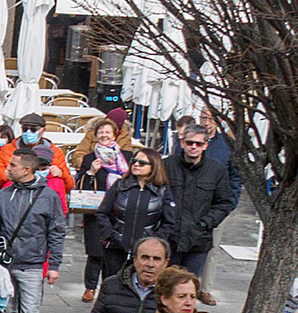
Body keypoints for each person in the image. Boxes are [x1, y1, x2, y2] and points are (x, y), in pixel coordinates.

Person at [0, 146, 67, 313]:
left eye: (13, 165)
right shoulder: (5, 193)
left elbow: (57, 233)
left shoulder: (48, 196)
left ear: (26, 170)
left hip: (31, 266)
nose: (7, 168)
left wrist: (54, 265)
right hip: (5, 264)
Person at [162, 122, 238, 289]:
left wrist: (205, 223)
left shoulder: (216, 169)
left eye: (198, 143)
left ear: (205, 145)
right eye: (190, 143)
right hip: (169, 239)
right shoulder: (167, 165)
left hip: (198, 241)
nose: (193, 147)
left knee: (189, 289)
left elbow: (224, 203)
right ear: (182, 143)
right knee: (165, 288)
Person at [71, 119, 133, 299]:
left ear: (115, 135)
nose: (104, 135)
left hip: (120, 211)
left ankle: (110, 287)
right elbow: (80, 184)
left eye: (108, 132)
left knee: (115, 251)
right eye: (101, 132)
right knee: (95, 251)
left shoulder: (127, 157)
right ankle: (90, 287)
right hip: (96, 210)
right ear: (95, 136)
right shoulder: (90, 158)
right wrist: (90, 172)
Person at [92, 146, 170, 281]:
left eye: (142, 162)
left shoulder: (162, 191)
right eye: (134, 161)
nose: (136, 164)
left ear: (153, 166)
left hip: (145, 252)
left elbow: (169, 222)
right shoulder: (120, 185)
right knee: (112, 283)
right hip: (116, 247)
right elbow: (102, 213)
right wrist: (111, 235)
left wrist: (153, 240)